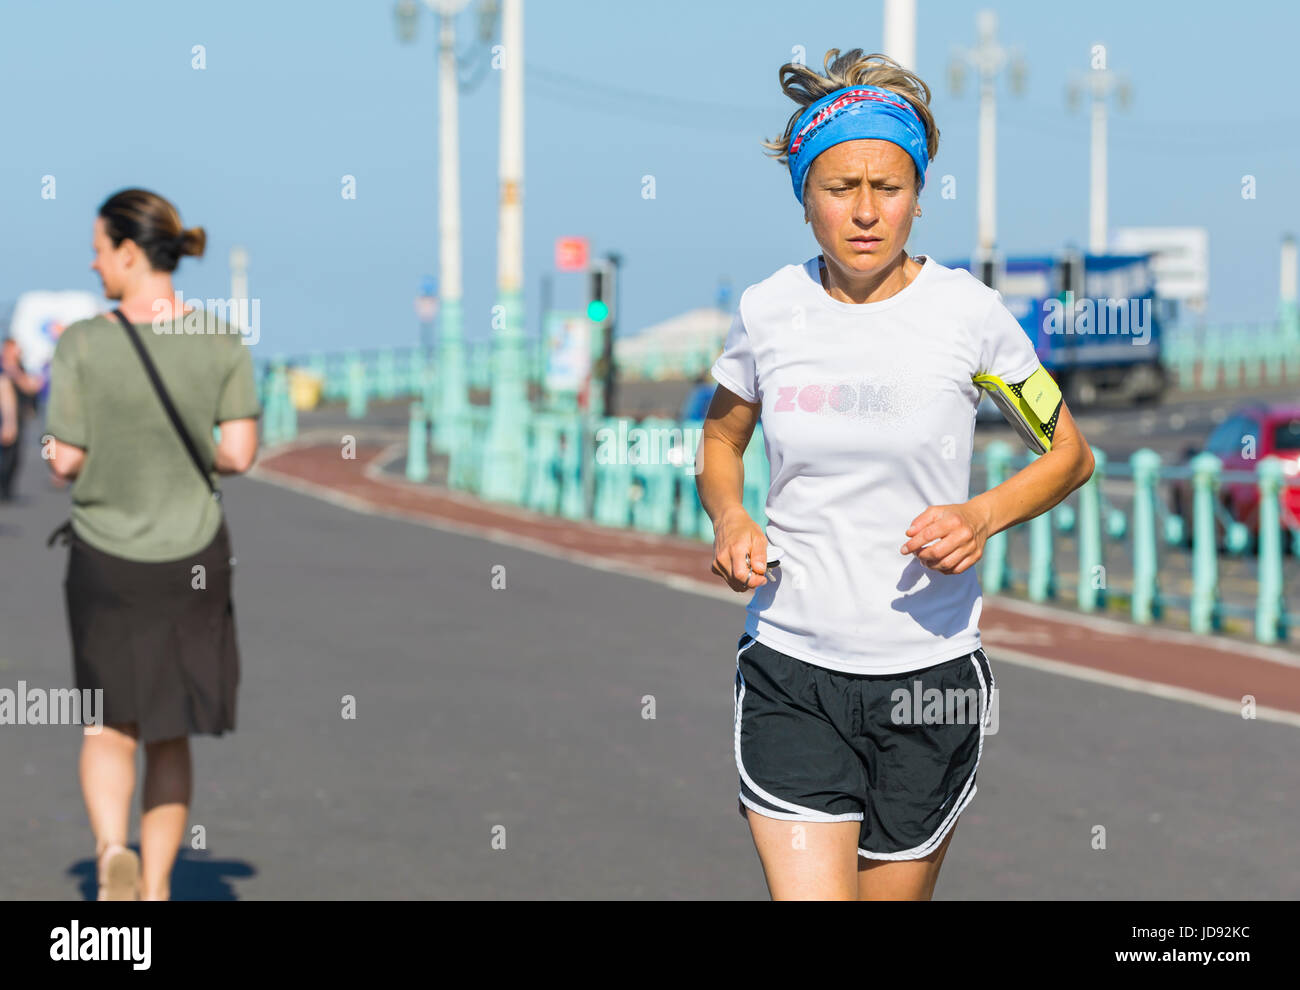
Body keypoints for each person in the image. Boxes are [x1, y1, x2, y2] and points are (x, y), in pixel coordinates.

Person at [697, 49, 1095, 901]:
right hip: (792, 666)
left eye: (891, 186)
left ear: (918, 194)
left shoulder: (970, 317)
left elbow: (1069, 453)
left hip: (933, 682)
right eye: (841, 188)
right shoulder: (769, 312)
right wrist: (730, 519)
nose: (867, 212)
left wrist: (982, 515)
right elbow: (723, 440)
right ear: (805, 198)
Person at [43, 188, 262, 900]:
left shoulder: (81, 344)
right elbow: (239, 453)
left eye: (100, 248)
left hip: (106, 558)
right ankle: (158, 885)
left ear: (129, 253)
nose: (93, 260)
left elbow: (64, 460)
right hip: (192, 557)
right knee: (171, 728)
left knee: (109, 722)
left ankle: (113, 852)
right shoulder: (222, 340)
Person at [0, 336, 46, 500]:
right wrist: (9, 422)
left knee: (14, 456)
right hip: (6, 417)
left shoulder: (19, 369)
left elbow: (32, 386)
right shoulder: (3, 371)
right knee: (5, 456)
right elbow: (6, 398)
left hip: (19, 417)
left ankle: (7, 490)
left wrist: (16, 373)